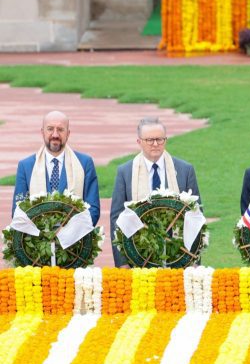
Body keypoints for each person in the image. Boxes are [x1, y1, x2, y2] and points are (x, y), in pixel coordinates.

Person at [110, 117, 202, 268]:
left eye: (159, 139)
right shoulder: (125, 172)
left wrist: (194, 260)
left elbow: (196, 216)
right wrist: (122, 263)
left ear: (165, 140)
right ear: (139, 142)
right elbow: (117, 219)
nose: (155, 144)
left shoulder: (185, 170)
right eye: (149, 140)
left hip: (178, 257)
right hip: (138, 256)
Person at [12, 110, 100, 224]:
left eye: (60, 129)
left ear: (68, 133)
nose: (55, 135)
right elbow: (18, 211)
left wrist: (72, 231)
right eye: (50, 129)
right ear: (42, 132)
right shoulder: (26, 166)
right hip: (37, 234)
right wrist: (40, 233)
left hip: (76, 234)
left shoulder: (84, 163)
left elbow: (93, 209)